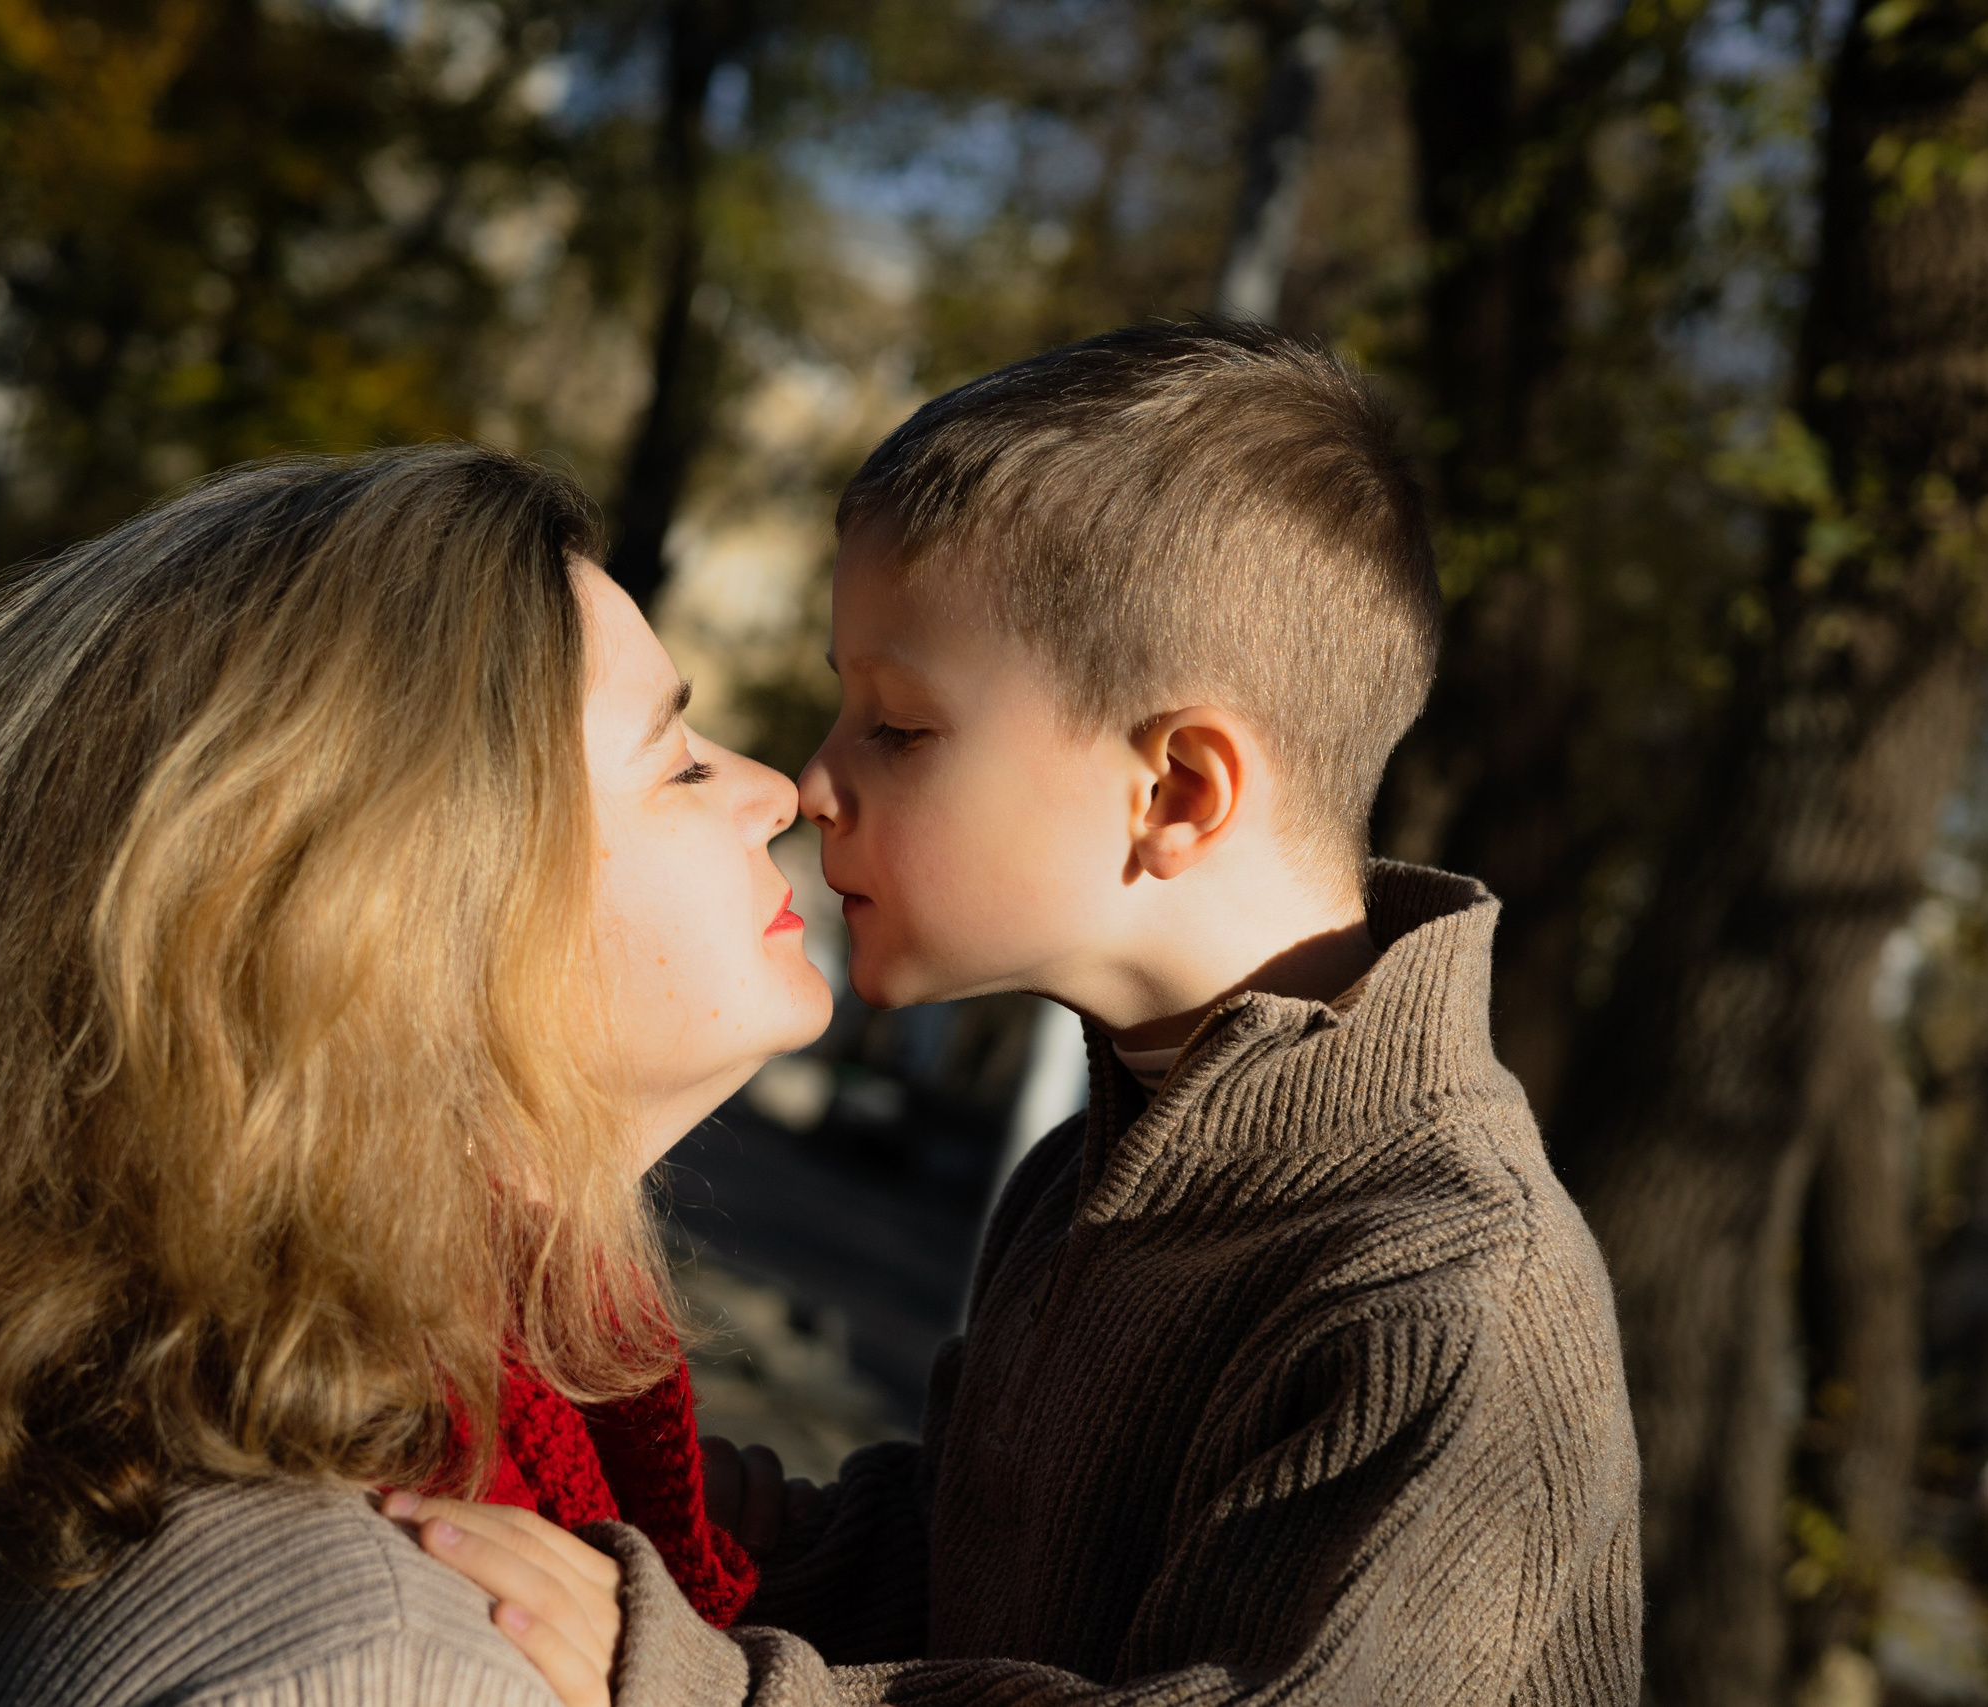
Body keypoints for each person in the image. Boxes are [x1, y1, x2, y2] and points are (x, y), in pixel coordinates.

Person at [0, 447, 841, 1707]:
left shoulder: (148, 1431)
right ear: (404, 918)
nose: (777, 790)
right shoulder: (390, 1660)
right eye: (678, 761)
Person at [691, 319, 1646, 1704]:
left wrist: (693, 1682)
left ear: (1177, 793)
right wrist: (770, 1543)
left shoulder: (1446, 1300)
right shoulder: (1086, 1176)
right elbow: (987, 1590)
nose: (811, 783)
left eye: (894, 725)